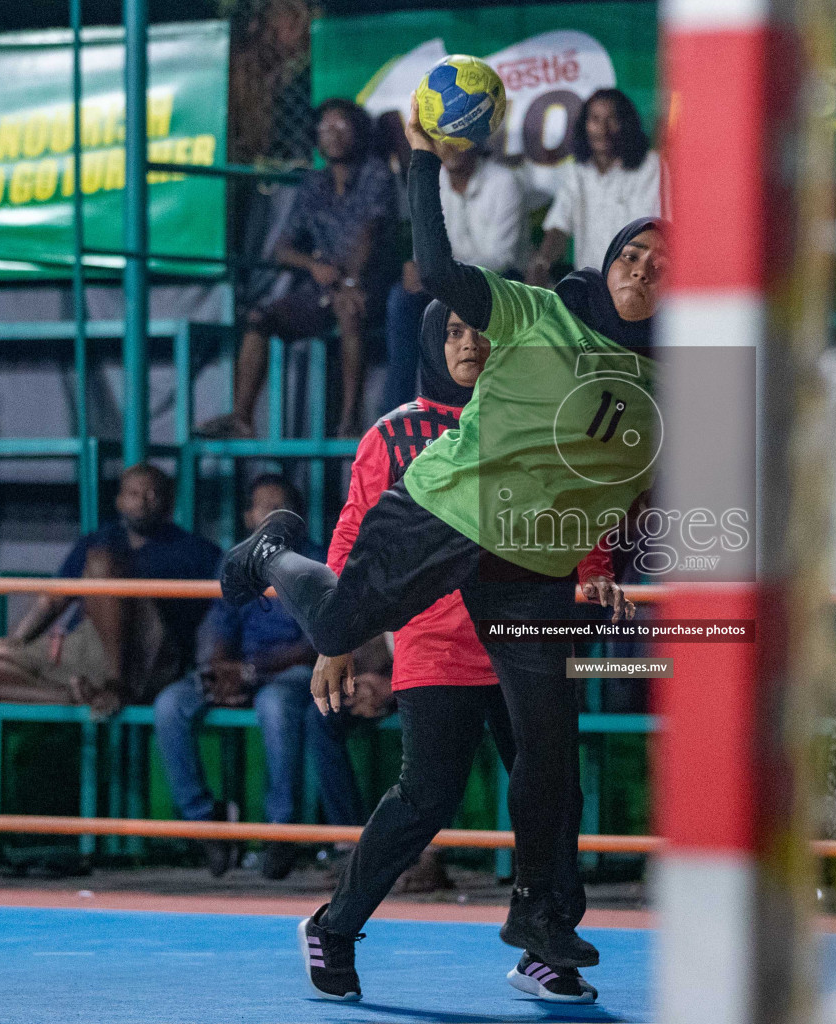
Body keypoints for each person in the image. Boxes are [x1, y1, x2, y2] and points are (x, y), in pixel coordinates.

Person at [218, 97, 664, 985]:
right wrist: (422, 158)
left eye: (663, 265)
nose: (647, 271)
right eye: (634, 254)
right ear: (607, 260)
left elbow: (617, 493)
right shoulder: (524, 320)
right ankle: (274, 554)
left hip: (529, 570)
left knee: (551, 754)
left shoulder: (660, 380)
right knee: (368, 681)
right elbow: (434, 265)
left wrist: (606, 567)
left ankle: (541, 926)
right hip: (443, 549)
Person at [302, 301, 623, 1003]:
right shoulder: (392, 434)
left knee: (554, 794)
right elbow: (355, 540)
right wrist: (337, 641)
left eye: (482, 331)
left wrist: (596, 573)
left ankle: (543, 945)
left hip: (530, 639)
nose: (468, 343)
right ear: (431, 343)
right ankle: (334, 926)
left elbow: (585, 507)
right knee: (426, 797)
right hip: (438, 645)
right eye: (452, 332)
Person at [152, 475, 321, 880]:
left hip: (292, 672)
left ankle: (280, 831)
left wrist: (252, 671)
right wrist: (219, 669)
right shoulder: (238, 561)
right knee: (170, 704)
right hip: (241, 671)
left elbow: (318, 643)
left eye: (281, 507)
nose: (272, 516)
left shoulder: (319, 560)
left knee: (276, 706)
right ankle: (205, 824)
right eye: (263, 507)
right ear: (249, 517)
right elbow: (219, 626)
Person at [0, 463, 221, 720]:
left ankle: (116, 686)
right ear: (119, 501)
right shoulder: (97, 539)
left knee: (100, 563)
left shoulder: (198, 551)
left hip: (145, 657)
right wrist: (16, 641)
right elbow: (53, 599)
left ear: (170, 502)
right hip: (83, 648)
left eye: (153, 494)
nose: (143, 501)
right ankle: (73, 696)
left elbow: (223, 616)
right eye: (134, 493)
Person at [199, 98, 396, 439]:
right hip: (321, 288)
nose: (331, 135)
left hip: (368, 285)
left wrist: (349, 279)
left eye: (340, 127)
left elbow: (371, 234)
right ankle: (241, 418)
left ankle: (350, 422)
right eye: (324, 128)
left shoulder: (376, 173)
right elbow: (282, 248)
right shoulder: (313, 184)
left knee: (348, 310)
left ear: (359, 133)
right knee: (259, 318)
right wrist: (313, 265)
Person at [381, 143, 527, 413]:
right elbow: (422, 247)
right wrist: (418, 268)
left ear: (475, 141)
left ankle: (478, 419)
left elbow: (501, 257)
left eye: (460, 137)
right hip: (443, 281)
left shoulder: (503, 181)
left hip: (496, 283)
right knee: (402, 299)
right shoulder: (430, 182)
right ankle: (397, 418)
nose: (451, 146)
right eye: (444, 139)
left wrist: (441, 269)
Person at [528, 88, 661, 286]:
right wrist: (542, 263)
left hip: (640, 285)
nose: (603, 129)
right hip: (592, 289)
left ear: (627, 124)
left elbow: (659, 232)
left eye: (612, 119)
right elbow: (559, 225)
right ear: (584, 126)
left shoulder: (651, 167)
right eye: (595, 119)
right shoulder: (576, 169)